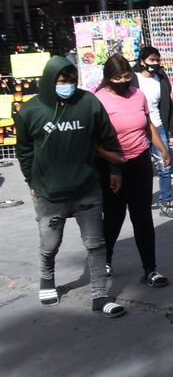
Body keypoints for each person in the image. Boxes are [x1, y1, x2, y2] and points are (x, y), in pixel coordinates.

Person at [16, 56, 126, 317]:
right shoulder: (30, 111)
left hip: (87, 189)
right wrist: (32, 181)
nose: (68, 85)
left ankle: (100, 296)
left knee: (95, 244)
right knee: (50, 244)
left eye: (72, 80)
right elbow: (24, 151)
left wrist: (115, 170)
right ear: (48, 81)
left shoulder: (88, 102)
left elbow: (107, 137)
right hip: (49, 195)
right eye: (62, 81)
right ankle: (46, 279)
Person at [95, 54, 171, 288]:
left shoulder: (138, 95)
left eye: (127, 76)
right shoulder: (97, 100)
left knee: (143, 217)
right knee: (114, 216)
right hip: (110, 165)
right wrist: (110, 157)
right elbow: (92, 138)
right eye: (117, 77)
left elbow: (148, 125)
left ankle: (150, 269)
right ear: (108, 78)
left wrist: (162, 148)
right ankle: (105, 259)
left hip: (139, 161)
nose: (123, 81)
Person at [131, 46, 173, 218]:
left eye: (157, 60)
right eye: (151, 60)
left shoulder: (161, 78)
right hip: (137, 130)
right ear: (142, 61)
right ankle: (139, 204)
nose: (155, 63)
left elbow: (167, 107)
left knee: (165, 167)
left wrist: (172, 133)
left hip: (158, 128)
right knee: (140, 170)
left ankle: (165, 203)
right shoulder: (132, 79)